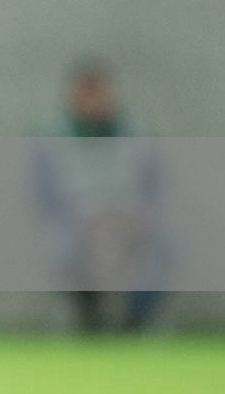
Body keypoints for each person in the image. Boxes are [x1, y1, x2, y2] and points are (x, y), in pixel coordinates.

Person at [33, 61, 168, 333]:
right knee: (64, 248)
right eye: (85, 94)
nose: (92, 101)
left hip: (128, 222)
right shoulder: (53, 138)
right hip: (78, 224)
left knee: (165, 249)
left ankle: (133, 325)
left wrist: (141, 216)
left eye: (99, 93)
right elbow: (43, 193)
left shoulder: (136, 134)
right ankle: (90, 319)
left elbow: (152, 186)